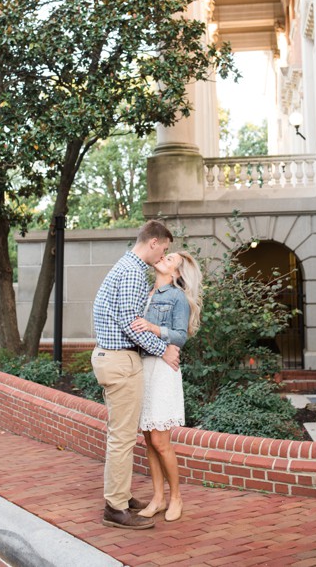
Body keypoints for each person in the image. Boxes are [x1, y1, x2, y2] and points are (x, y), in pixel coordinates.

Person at [91, 220, 181, 530]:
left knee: (122, 434)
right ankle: (115, 508)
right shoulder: (131, 272)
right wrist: (162, 349)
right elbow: (131, 323)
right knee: (123, 438)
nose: (163, 255)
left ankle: (122, 496)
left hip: (111, 357)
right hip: (119, 362)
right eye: (165, 249)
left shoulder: (125, 266)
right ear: (154, 242)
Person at [129, 250, 203, 523]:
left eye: (170, 259)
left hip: (162, 370)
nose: (163, 258)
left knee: (161, 440)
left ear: (177, 274)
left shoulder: (177, 297)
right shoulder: (146, 293)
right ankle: (158, 497)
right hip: (143, 367)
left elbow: (181, 336)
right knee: (148, 438)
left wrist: (152, 328)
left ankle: (176, 497)